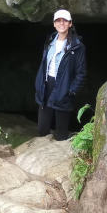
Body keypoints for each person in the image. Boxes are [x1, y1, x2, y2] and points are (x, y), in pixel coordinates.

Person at [34, 8, 86, 141]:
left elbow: (81, 72)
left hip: (64, 87)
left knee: (61, 130)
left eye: (64, 20)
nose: (61, 23)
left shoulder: (77, 46)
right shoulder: (50, 41)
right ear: (54, 23)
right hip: (47, 85)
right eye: (58, 20)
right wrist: (39, 83)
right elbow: (44, 64)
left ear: (70, 23)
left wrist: (71, 91)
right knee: (42, 128)